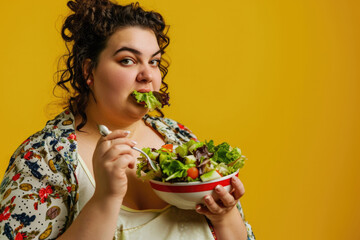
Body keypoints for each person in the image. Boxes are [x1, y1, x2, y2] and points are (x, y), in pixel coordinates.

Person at [0, 0, 255, 239]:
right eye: (128, 60)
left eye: (154, 62)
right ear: (89, 70)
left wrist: (223, 214)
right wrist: (105, 198)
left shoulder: (179, 139)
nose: (147, 75)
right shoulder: (43, 158)